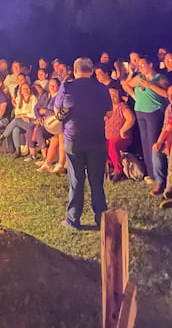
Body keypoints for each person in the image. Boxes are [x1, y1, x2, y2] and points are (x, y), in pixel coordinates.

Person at [55, 57, 112, 230]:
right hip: (96, 139)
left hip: (74, 140)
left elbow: (57, 110)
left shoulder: (67, 87)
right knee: (96, 182)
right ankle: (101, 218)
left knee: (76, 180)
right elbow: (109, 113)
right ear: (92, 71)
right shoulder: (101, 88)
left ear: (75, 70)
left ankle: (73, 220)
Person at [121, 56, 168, 196]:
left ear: (150, 64)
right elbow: (126, 85)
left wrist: (151, 86)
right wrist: (135, 96)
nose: (140, 67)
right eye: (139, 65)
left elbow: (167, 94)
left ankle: (160, 178)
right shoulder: (139, 78)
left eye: (142, 65)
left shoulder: (160, 78)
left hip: (154, 111)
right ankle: (151, 174)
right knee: (146, 143)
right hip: (140, 110)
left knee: (154, 144)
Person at [105, 85, 134, 182]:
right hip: (108, 136)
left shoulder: (122, 107)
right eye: (110, 95)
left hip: (122, 136)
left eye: (114, 95)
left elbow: (131, 118)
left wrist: (123, 130)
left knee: (112, 144)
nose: (112, 97)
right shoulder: (106, 108)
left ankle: (119, 171)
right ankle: (109, 166)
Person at [3, 83, 37, 158]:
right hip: (22, 121)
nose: (26, 90)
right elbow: (16, 113)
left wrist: (23, 115)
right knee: (16, 129)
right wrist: (22, 116)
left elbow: (33, 113)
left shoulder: (33, 98)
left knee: (15, 120)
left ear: (30, 89)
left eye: (27, 88)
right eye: (24, 89)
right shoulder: (19, 99)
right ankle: (18, 151)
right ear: (21, 91)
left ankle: (2, 137)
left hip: (31, 121)